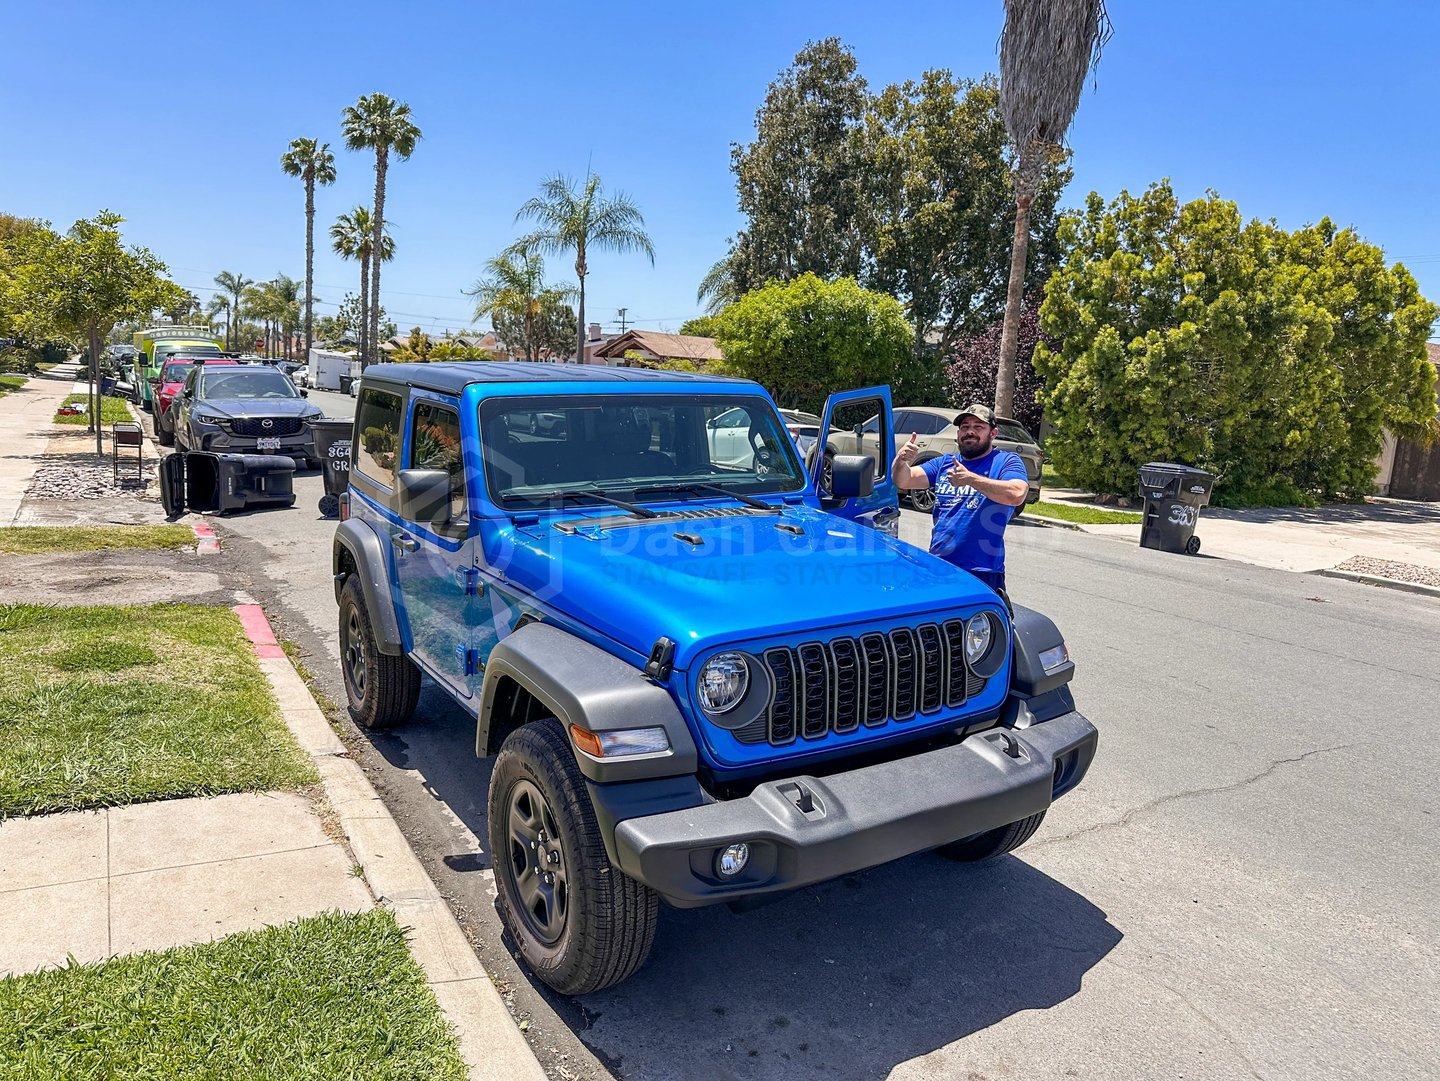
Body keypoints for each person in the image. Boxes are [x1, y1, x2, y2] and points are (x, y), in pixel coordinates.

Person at [892, 403, 1029, 595]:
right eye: (965, 427)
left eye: (978, 427)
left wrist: (970, 479)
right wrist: (901, 460)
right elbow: (904, 480)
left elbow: (1016, 494)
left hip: (983, 572)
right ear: (958, 434)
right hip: (939, 566)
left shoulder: (1005, 461)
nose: (970, 431)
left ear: (993, 433)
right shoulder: (944, 463)